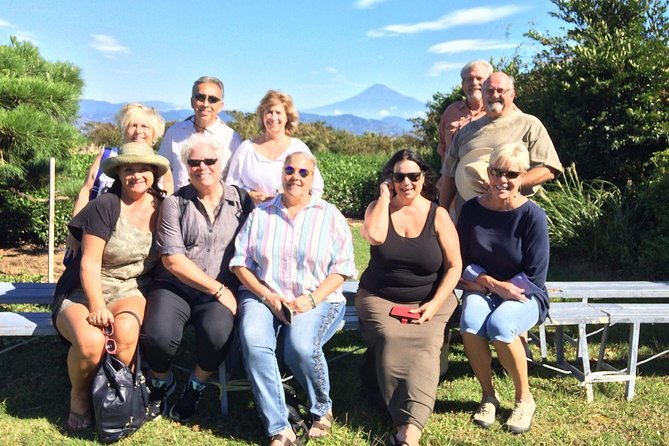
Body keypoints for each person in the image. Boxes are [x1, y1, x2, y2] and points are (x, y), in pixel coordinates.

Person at [230, 152, 356, 446]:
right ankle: (280, 427)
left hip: (318, 298)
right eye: (289, 170)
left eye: (303, 172)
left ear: (313, 179)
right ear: (282, 174)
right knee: (254, 340)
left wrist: (310, 300)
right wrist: (266, 295)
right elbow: (239, 262)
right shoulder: (261, 213)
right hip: (263, 294)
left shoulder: (329, 215)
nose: (295, 176)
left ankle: (322, 408)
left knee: (298, 346)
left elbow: (343, 269)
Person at [52, 142, 169, 431]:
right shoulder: (105, 205)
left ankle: (114, 392)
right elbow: (89, 263)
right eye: (129, 169)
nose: (136, 175)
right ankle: (80, 394)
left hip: (131, 288)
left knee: (126, 332)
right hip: (84, 289)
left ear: (154, 173)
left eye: (143, 169)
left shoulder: (164, 207)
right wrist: (96, 305)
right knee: (91, 343)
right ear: (118, 173)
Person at [140, 132, 252, 422]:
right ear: (186, 167)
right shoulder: (175, 204)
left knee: (218, 334)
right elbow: (173, 260)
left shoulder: (241, 201)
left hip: (220, 286)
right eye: (194, 162)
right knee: (157, 336)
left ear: (221, 162)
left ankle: (196, 384)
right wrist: (217, 290)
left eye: (209, 160)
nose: (202, 167)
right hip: (177, 286)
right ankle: (162, 381)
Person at [355, 150, 462, 446]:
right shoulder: (378, 208)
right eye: (399, 176)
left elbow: (455, 266)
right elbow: (375, 237)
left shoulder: (438, 215)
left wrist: (435, 305)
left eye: (413, 176)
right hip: (379, 297)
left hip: (430, 298)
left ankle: (408, 431)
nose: (406, 182)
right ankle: (398, 412)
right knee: (390, 337)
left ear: (423, 177)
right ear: (390, 179)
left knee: (426, 344)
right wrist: (383, 197)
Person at [457, 143, 550, 434]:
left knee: (500, 325)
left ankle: (524, 398)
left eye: (511, 173)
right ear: (489, 173)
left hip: (525, 294)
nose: (503, 180)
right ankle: (488, 395)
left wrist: (499, 289)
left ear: (522, 176)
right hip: (484, 287)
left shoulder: (532, 215)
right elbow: (461, 259)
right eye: (497, 172)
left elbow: (535, 275)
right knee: (471, 323)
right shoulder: (471, 210)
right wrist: (490, 284)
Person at [439, 71, 563, 220]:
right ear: (483, 95)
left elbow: (549, 168)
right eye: (489, 91)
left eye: (500, 90)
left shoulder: (529, 124)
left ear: (512, 94)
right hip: (471, 219)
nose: (494, 95)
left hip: (515, 218)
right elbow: (450, 176)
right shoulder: (466, 131)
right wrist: (442, 214)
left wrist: (508, 184)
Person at [65, 103, 172, 263]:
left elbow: (168, 208)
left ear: (154, 134)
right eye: (133, 125)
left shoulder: (160, 166)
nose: (139, 131)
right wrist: (74, 233)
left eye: (145, 126)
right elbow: (85, 192)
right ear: (124, 129)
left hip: (140, 246)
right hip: (96, 235)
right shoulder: (106, 156)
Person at [226, 90, 324, 204]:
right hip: (251, 216)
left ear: (287, 117)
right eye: (269, 112)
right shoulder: (246, 149)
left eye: (278, 112)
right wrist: (250, 195)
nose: (273, 117)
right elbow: (231, 186)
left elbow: (316, 187)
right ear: (262, 116)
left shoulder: (298, 148)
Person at [159, 76, 242, 191]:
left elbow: (234, 182)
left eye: (212, 99)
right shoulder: (174, 133)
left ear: (220, 106)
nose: (205, 104)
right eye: (200, 97)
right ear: (192, 102)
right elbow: (162, 172)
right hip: (178, 205)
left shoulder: (232, 139)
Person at [436, 60, 493, 161]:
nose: (474, 83)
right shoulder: (451, 112)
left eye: (479, 78)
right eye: (470, 79)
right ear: (463, 84)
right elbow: (443, 149)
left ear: (489, 83)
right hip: (453, 176)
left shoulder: (502, 109)